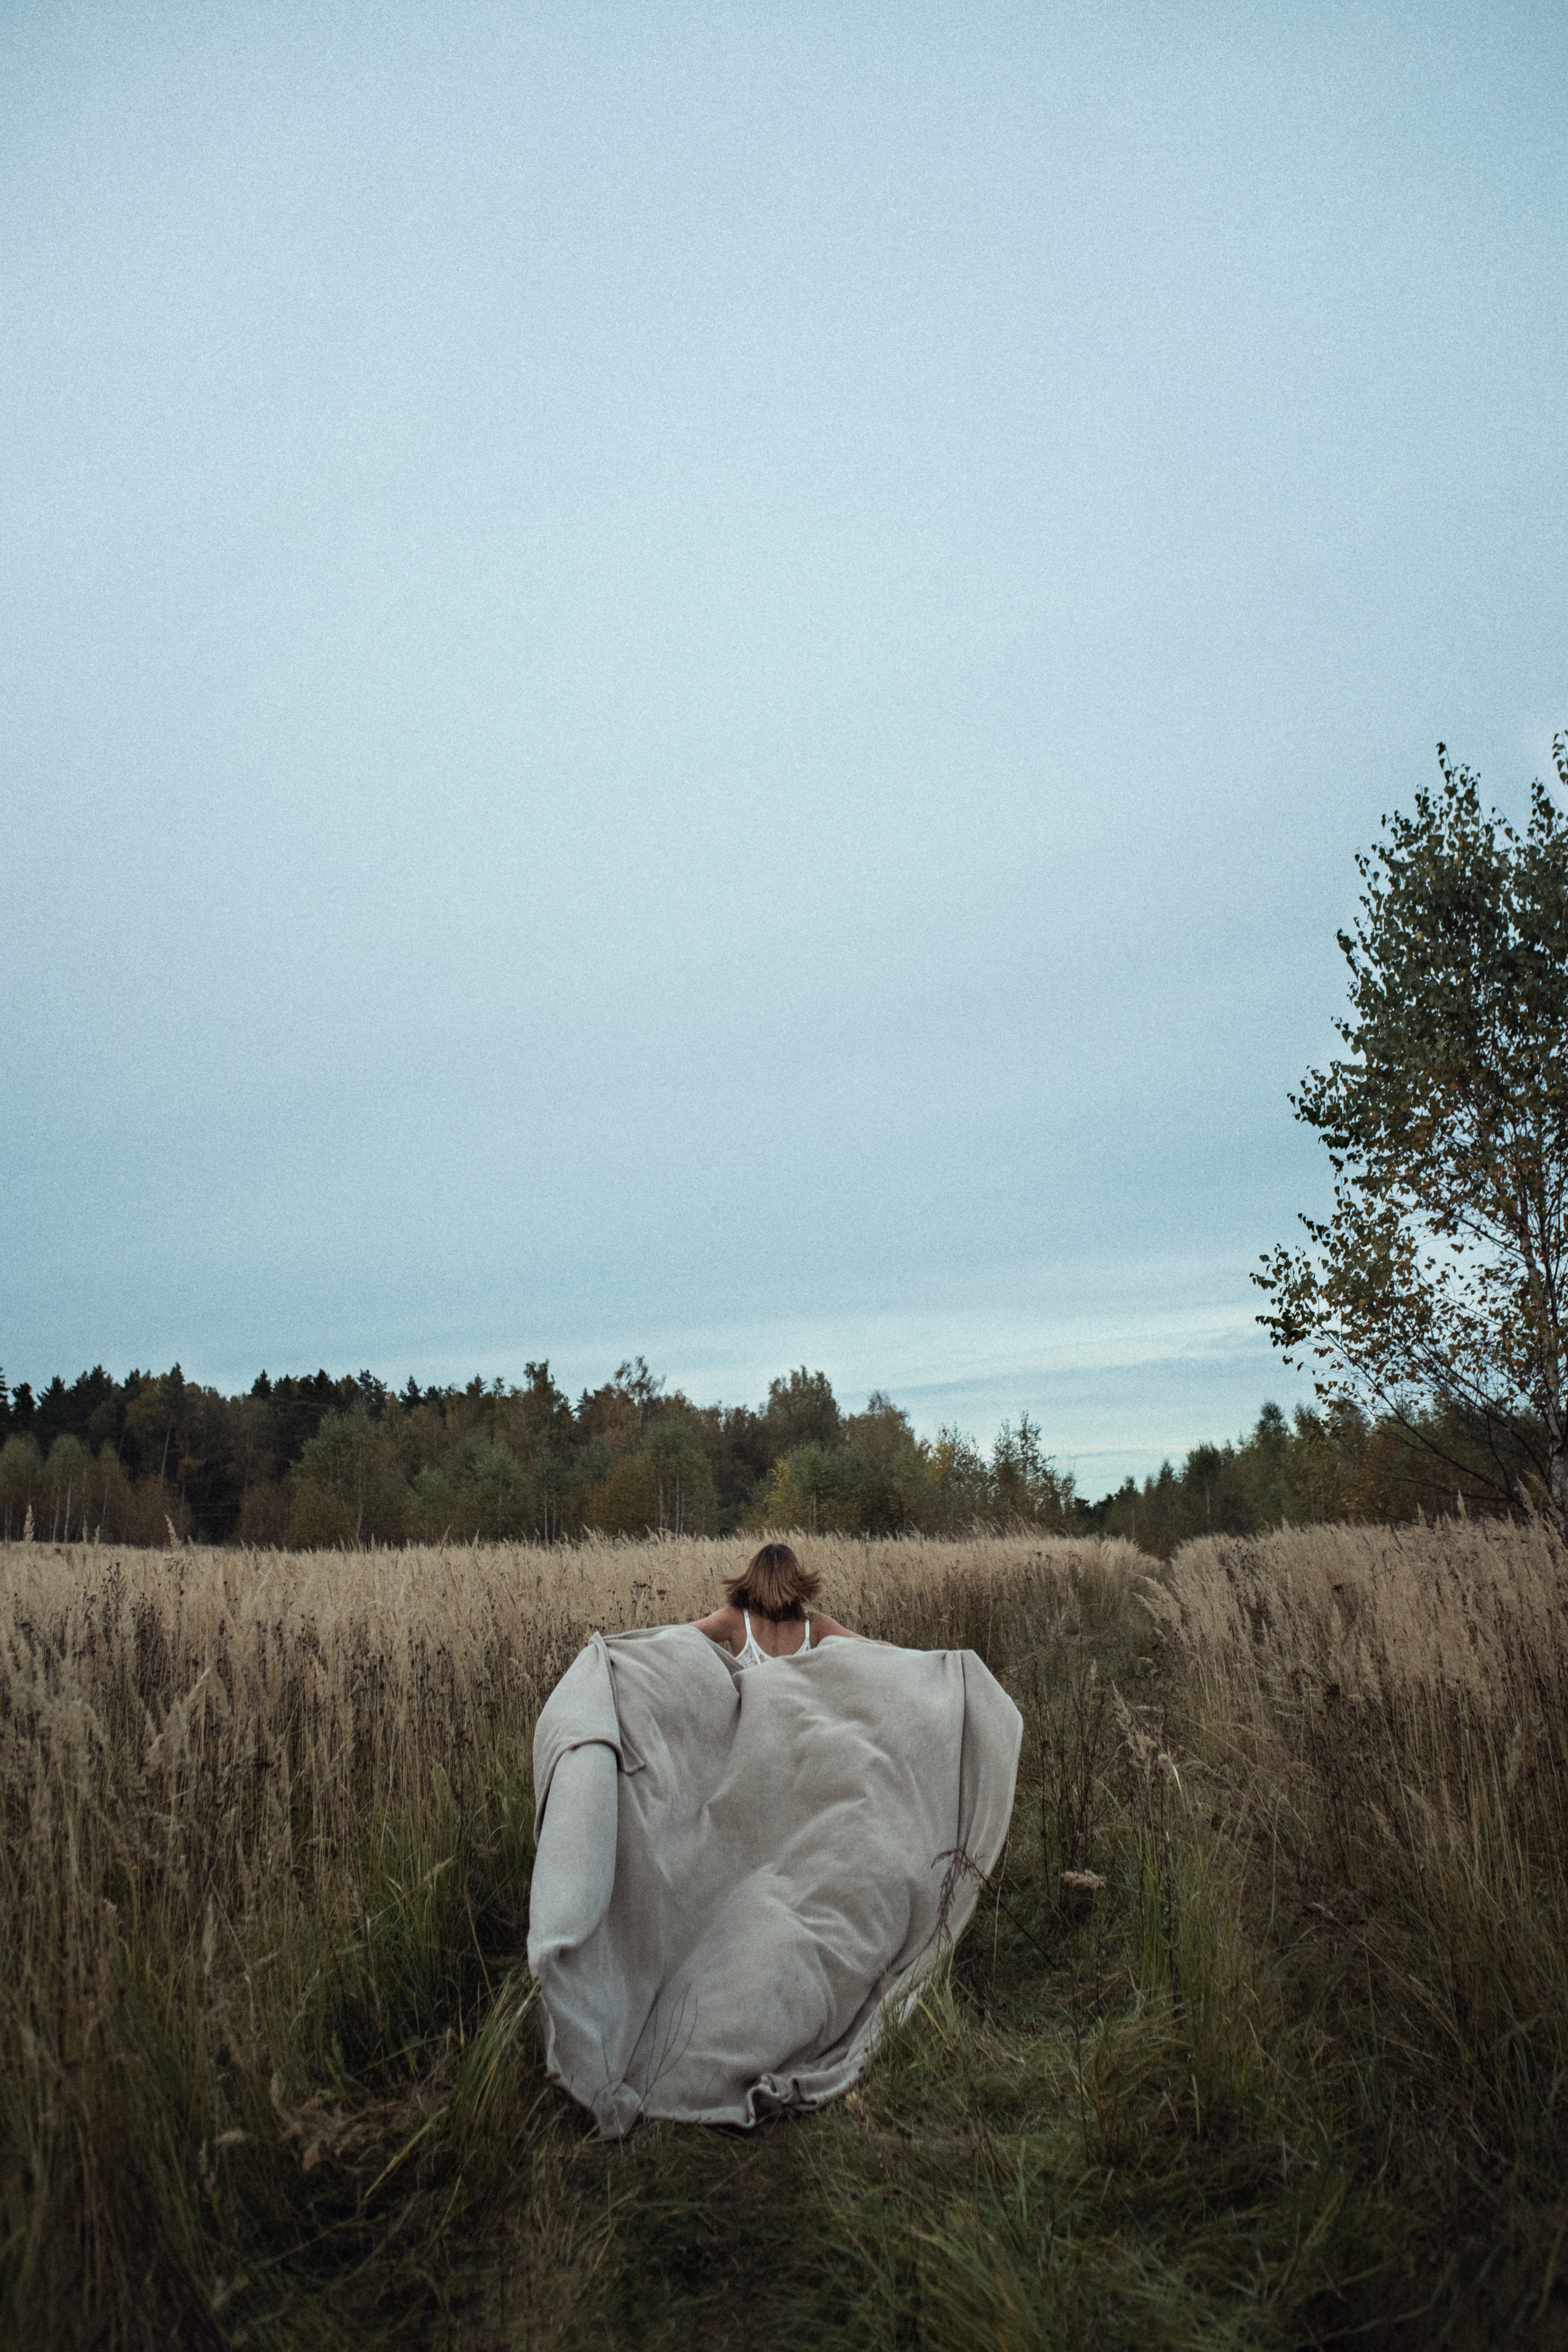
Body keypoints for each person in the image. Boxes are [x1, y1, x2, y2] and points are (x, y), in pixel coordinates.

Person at [691, 1540, 872, 1667]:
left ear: (753, 1578)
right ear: (796, 1581)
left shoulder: (734, 1619)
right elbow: (872, 1648)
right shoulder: (815, 1626)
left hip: (754, 1721)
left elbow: (676, 1635)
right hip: (798, 1721)